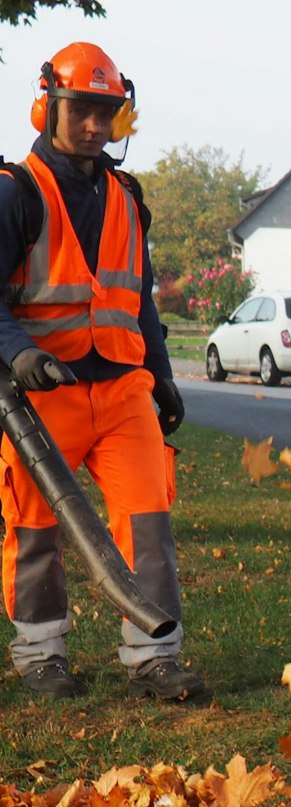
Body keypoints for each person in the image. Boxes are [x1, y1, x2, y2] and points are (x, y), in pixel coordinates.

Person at [0, 43, 202, 701]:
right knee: (34, 529)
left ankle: (155, 654)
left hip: (122, 390)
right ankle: (41, 654)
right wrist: (20, 354)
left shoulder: (124, 196)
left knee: (149, 519)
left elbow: (137, 297)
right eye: (82, 109)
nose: (95, 125)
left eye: (107, 112)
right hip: (43, 393)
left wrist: (163, 374)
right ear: (48, 105)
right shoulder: (15, 194)